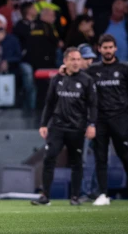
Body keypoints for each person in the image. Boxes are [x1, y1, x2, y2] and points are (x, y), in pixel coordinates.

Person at [31, 47, 97, 206]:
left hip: (77, 128)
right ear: (65, 61)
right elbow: (49, 103)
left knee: (77, 163)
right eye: (72, 59)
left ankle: (75, 197)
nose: (76, 62)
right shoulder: (56, 79)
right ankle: (45, 196)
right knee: (49, 159)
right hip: (57, 127)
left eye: (78, 59)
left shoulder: (86, 80)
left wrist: (91, 124)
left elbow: (93, 105)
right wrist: (43, 124)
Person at [84, 34, 128, 206]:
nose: (108, 51)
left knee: (125, 156)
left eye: (111, 47)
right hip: (100, 121)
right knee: (100, 158)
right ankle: (102, 194)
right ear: (99, 49)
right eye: (105, 48)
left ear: (115, 48)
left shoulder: (124, 69)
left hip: (121, 120)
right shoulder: (92, 71)